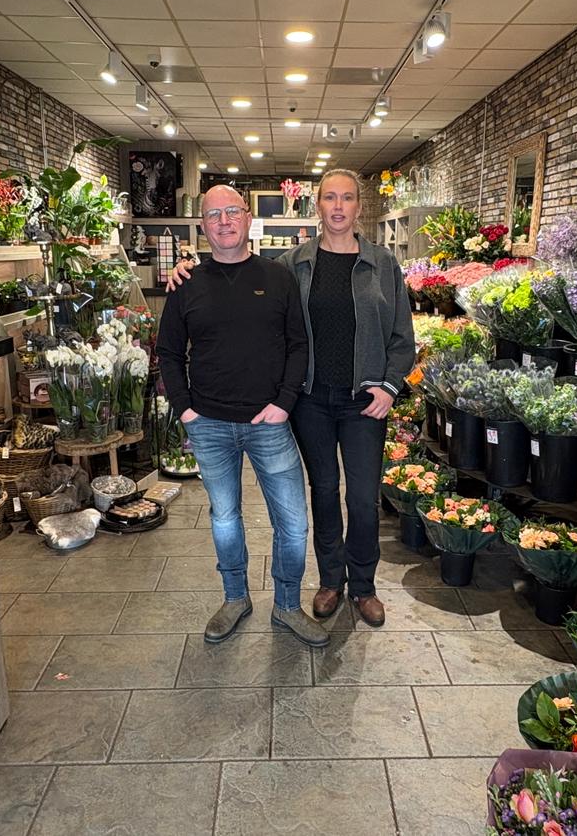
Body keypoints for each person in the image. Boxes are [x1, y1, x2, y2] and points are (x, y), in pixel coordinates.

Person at [167, 170, 415, 627]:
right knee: (322, 491)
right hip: (311, 401)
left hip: (365, 403)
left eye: (347, 199)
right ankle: (330, 581)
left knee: (362, 498)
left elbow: (403, 336)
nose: (338, 207)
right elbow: (239, 277)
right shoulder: (291, 265)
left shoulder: (384, 265)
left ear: (359, 207)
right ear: (316, 207)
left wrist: (390, 384)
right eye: (329, 198)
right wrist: (187, 270)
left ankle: (364, 586)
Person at [155, 185, 330, 648]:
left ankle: (288, 606)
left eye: (232, 211)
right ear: (204, 225)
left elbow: (298, 345)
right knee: (225, 518)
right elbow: (169, 352)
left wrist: (285, 402)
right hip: (208, 424)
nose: (224, 221)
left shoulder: (277, 277)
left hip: (269, 423)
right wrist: (185, 409)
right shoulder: (186, 283)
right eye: (214, 215)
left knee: (293, 522)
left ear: (248, 218)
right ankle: (236, 598)